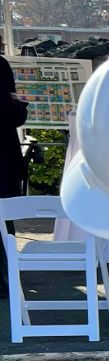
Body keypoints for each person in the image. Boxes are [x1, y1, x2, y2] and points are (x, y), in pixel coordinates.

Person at [1, 43, 27, 295]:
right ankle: (8, 276)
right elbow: (10, 113)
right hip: (2, 157)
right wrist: (19, 105)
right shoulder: (0, 66)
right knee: (4, 218)